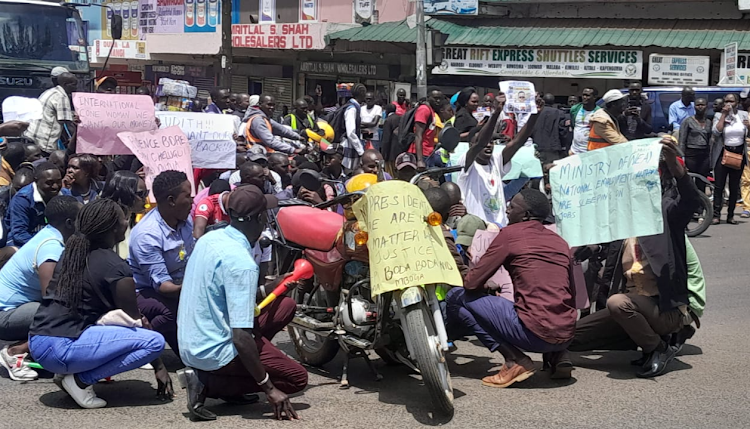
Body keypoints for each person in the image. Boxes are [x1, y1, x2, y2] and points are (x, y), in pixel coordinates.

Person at [569, 137, 701, 377]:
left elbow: (691, 202)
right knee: (568, 338)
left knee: (618, 303)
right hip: (631, 306)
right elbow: (609, 249)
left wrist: (677, 169)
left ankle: (660, 348)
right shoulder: (625, 221)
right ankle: (648, 338)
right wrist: (592, 249)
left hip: (663, 308)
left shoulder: (667, 213)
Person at [177, 185, 307, 421]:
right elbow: (240, 336)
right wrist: (268, 388)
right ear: (259, 218)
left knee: (285, 305)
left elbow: (229, 295)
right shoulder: (240, 261)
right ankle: (207, 382)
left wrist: (272, 286)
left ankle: (232, 377)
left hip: (191, 342)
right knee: (296, 379)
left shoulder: (211, 238)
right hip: (214, 348)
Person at [28, 199, 173, 408]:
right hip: (61, 348)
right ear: (114, 227)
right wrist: (159, 366)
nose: (127, 221)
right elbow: (135, 320)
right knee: (154, 342)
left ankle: (70, 373)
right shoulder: (115, 268)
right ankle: (79, 380)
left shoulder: (71, 254)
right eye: (123, 218)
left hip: (38, 341)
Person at [445, 188, 577, 387]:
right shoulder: (559, 242)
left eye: (512, 206)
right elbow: (570, 293)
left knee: (456, 297)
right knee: (540, 301)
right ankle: (558, 355)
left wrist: (484, 287)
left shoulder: (510, 234)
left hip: (534, 332)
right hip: (566, 334)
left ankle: (514, 360)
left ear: (525, 215)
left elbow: (471, 283)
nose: (507, 211)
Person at [0, 196, 80, 381]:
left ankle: (41, 350)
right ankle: (13, 353)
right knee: (63, 313)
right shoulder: (51, 247)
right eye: (81, 217)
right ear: (70, 223)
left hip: (18, 307)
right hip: (5, 315)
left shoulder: (51, 234)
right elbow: (51, 296)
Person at [130, 170, 195, 356]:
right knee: (173, 313)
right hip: (146, 293)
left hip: (180, 287)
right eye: (188, 196)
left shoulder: (186, 220)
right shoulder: (147, 235)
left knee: (189, 356)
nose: (192, 201)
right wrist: (196, 286)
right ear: (171, 200)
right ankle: (140, 344)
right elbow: (163, 286)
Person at [458, 96, 540, 227]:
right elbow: (480, 143)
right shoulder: (466, 163)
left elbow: (517, 143)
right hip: (476, 228)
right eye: (485, 142)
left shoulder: (496, 160)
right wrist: (495, 114)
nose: (488, 145)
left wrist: (535, 114)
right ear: (471, 146)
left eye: (491, 142)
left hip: (500, 226)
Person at [711, 93, 749, 225]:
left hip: (738, 154)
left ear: (737, 103)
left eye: (731, 101)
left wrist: (749, 126)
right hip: (723, 153)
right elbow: (716, 132)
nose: (728, 104)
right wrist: (723, 115)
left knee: (734, 186)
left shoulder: (743, 115)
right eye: (726, 101)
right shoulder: (718, 115)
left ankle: (730, 215)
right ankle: (716, 215)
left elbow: (747, 133)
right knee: (719, 186)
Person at [5, 162, 62, 247]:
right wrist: (44, 247)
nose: (55, 186)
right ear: (36, 181)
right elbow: (19, 233)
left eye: (58, 181)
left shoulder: (64, 195)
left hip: (54, 240)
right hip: (24, 243)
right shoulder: (23, 199)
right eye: (49, 183)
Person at [24, 72, 78, 154]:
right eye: (74, 84)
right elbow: (67, 122)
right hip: (43, 141)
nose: (76, 87)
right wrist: (77, 138)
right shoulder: (61, 96)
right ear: (65, 84)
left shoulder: (50, 92)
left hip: (33, 136)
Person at [100, 170, 149, 258]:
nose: (145, 198)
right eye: (141, 194)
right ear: (125, 193)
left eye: (146, 193)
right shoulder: (105, 225)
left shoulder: (134, 221)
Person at [678, 98, 712, 195]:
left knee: (702, 180)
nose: (700, 107)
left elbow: (710, 140)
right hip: (691, 154)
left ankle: (701, 205)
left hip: (704, 155)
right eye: (698, 105)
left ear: (707, 106)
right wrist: (681, 158)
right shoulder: (688, 121)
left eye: (702, 104)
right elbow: (682, 140)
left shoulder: (709, 122)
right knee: (690, 180)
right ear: (694, 107)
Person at [410, 88, 445, 170]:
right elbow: (418, 135)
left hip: (429, 153)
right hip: (422, 154)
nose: (438, 101)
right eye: (435, 98)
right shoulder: (424, 110)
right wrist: (420, 160)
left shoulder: (431, 111)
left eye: (440, 98)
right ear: (428, 98)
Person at [531, 93, 570, 165]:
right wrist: (564, 146)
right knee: (551, 171)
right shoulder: (559, 113)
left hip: (537, 146)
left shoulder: (535, 112)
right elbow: (562, 132)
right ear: (553, 102)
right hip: (553, 148)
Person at [341, 84, 367, 171]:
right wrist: (361, 152)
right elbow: (351, 133)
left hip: (351, 145)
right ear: (361, 93)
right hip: (348, 147)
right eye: (364, 92)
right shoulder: (352, 109)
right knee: (349, 171)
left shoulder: (355, 107)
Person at [569, 87, 600, 155]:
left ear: (594, 97)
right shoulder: (575, 109)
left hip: (590, 151)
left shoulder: (599, 112)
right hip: (575, 151)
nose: (584, 97)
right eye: (583, 95)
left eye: (587, 95)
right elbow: (573, 125)